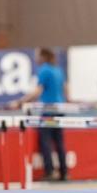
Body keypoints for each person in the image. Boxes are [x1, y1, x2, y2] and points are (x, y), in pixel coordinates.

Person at [10, 48, 69, 181]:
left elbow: (37, 91)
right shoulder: (58, 70)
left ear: (43, 56)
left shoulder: (45, 70)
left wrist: (20, 102)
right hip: (60, 109)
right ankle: (64, 172)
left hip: (48, 111)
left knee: (46, 142)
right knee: (59, 142)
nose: (35, 58)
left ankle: (50, 172)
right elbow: (66, 89)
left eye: (37, 55)